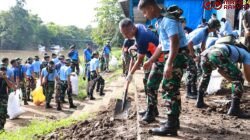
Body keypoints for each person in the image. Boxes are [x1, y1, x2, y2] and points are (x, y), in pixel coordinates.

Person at [138, 0, 189, 135]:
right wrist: (151, 60)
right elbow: (162, 45)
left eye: (144, 12)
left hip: (176, 54)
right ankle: (173, 122)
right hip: (170, 54)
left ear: (150, 8)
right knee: (167, 87)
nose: (144, 15)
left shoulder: (168, 20)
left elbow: (175, 42)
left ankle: (171, 126)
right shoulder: (159, 21)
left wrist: (169, 63)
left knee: (170, 89)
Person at [119, 18, 165, 123]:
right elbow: (138, 48)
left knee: (151, 85)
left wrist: (130, 74)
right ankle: (152, 109)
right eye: (123, 33)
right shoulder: (138, 27)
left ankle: (151, 113)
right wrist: (134, 46)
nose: (125, 36)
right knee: (146, 82)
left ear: (132, 28)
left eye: (126, 33)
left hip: (160, 59)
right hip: (152, 58)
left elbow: (139, 60)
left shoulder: (142, 38)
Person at [196, 43, 250, 118]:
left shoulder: (232, 50)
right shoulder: (247, 54)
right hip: (217, 53)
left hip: (205, 53)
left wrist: (233, 81)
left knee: (205, 75)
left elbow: (220, 70)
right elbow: (248, 77)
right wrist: (237, 82)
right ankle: (235, 109)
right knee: (239, 77)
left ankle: (199, 101)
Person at [186, 19, 221, 99]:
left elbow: (203, 46)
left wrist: (205, 56)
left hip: (190, 48)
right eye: (216, 28)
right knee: (191, 70)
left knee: (194, 70)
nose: (216, 30)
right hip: (186, 48)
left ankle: (193, 90)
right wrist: (194, 56)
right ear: (213, 27)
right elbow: (189, 43)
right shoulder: (202, 32)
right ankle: (188, 92)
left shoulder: (206, 32)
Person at [0, 66, 16, 131]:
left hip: (3, 98)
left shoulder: (6, 78)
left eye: (4, 71)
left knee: (3, 113)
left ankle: (1, 128)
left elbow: (11, 86)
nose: (3, 72)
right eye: (2, 70)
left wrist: (6, 78)